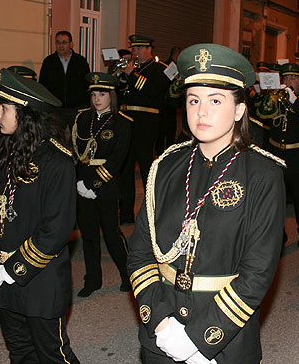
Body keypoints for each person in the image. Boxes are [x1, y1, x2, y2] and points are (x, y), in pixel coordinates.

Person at [127, 43, 286, 364]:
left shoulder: (263, 174)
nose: (202, 111)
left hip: (225, 339)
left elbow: (257, 273)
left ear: (240, 109)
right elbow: (140, 253)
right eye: (193, 100)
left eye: (216, 100)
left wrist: (199, 338)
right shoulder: (165, 167)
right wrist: (161, 321)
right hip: (162, 331)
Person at [0, 69, 80, 363]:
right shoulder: (4, 153)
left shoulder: (58, 162)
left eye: (4, 108)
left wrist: (9, 270)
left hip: (38, 279)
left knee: (52, 354)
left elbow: (56, 230)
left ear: (26, 114)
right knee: (19, 351)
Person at [72, 72, 133, 297]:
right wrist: (79, 182)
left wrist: (93, 184)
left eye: (102, 94)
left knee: (111, 233)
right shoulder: (82, 119)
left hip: (105, 185)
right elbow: (77, 154)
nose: (97, 99)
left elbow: (117, 160)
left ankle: (128, 275)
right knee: (88, 235)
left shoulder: (121, 123)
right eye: (94, 94)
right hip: (81, 184)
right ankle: (92, 279)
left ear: (112, 96)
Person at [257, 63, 299, 248]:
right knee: (277, 198)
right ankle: (280, 233)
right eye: (286, 78)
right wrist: (269, 97)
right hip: (277, 154)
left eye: (293, 78)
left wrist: (295, 102)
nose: (289, 82)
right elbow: (261, 115)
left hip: (298, 156)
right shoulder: (276, 99)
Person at [119, 34, 171, 225]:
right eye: (134, 49)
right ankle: (125, 213)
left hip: (146, 123)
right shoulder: (131, 69)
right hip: (126, 122)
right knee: (125, 170)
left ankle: (152, 213)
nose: (136, 53)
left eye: (139, 49)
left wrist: (131, 74)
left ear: (149, 49)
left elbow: (152, 90)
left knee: (147, 169)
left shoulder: (161, 69)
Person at [39, 31, 91, 125]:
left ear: (71, 44)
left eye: (64, 42)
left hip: (76, 108)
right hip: (55, 108)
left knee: (77, 136)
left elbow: (87, 84)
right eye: (58, 42)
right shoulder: (49, 62)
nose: (61, 45)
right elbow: (43, 85)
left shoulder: (80, 61)